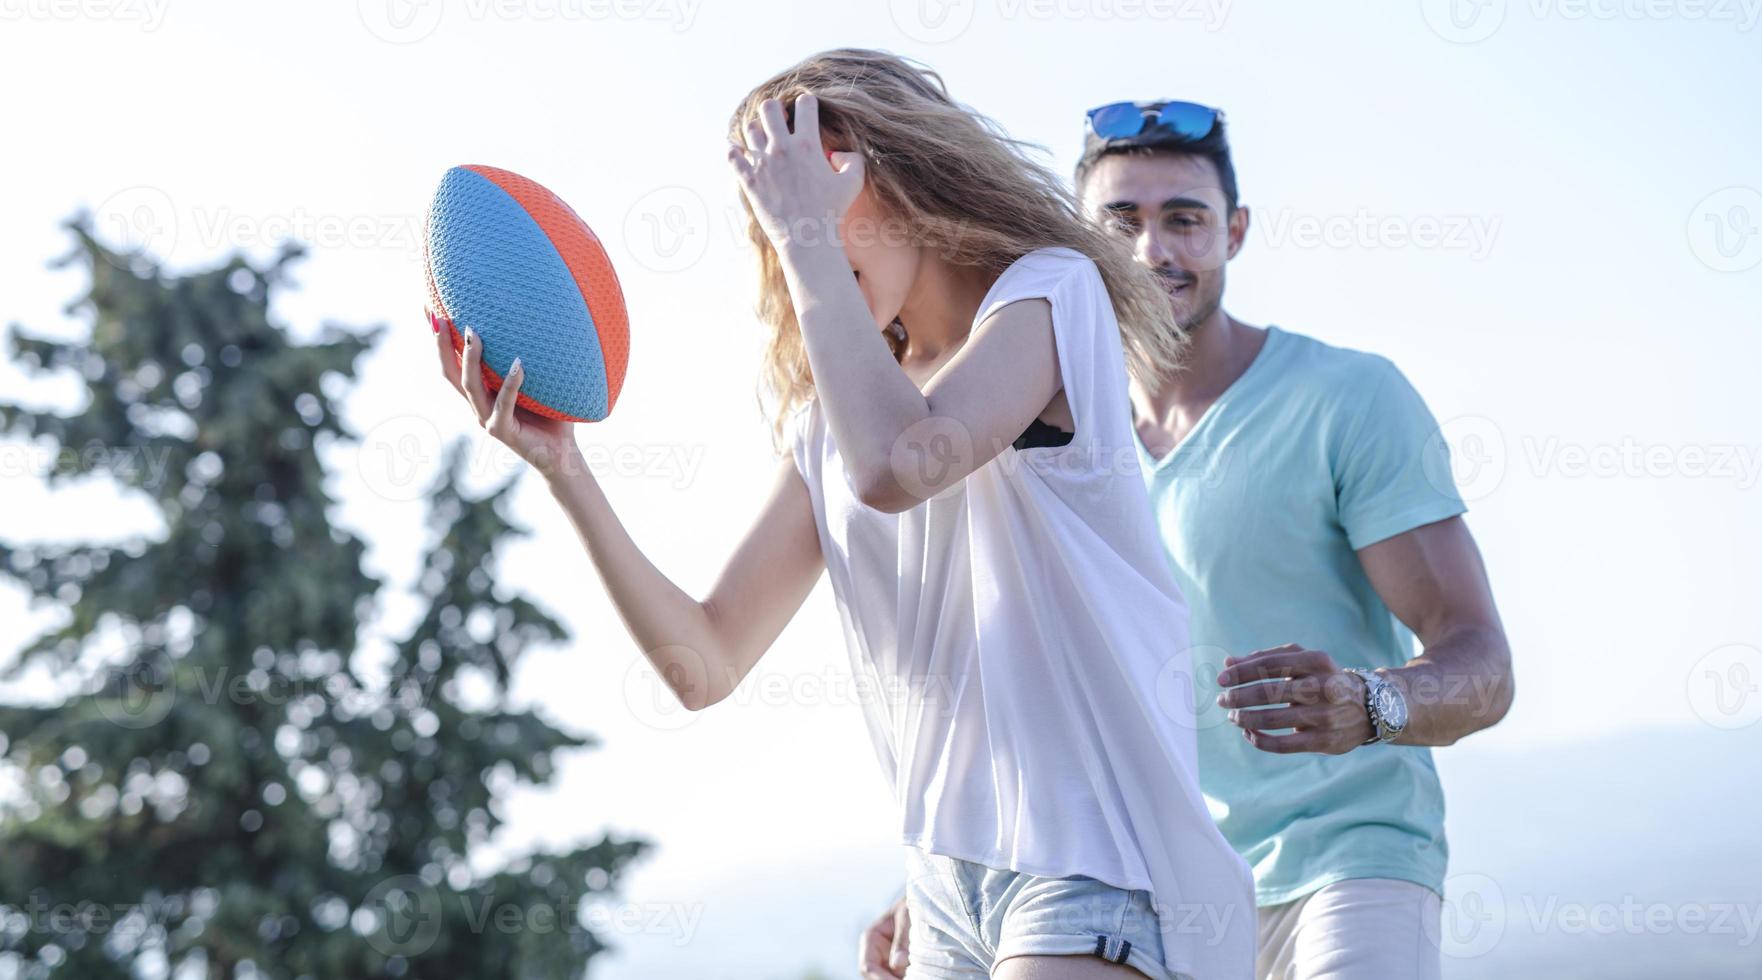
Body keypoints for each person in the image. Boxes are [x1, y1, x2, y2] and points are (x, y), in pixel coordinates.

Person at [430, 55, 1255, 979]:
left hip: (1095, 862)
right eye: (773, 218)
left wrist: (809, 240)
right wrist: (565, 470)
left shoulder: (1053, 293)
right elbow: (704, 661)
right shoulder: (832, 424)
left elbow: (905, 463)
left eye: (810, 200)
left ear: (900, 178)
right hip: (945, 896)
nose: (790, 238)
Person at [860, 101, 1515, 980]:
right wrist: (958, 883)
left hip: (1347, 866)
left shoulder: (1349, 399)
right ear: (1075, 240)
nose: (1152, 251)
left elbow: (1483, 665)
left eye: (1186, 220)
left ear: (1235, 233)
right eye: (1121, 221)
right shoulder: (1035, 438)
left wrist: (1369, 702)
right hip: (1143, 882)